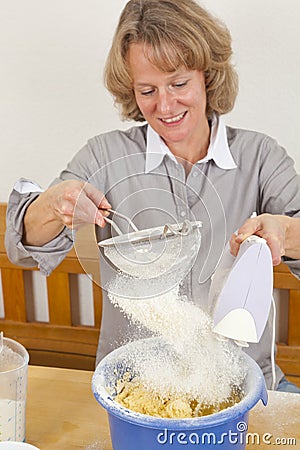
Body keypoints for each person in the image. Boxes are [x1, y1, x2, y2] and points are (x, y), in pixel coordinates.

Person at [5, 0, 300, 392]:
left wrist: (284, 231)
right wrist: (54, 204)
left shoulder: (261, 158)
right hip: (136, 387)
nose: (164, 106)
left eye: (179, 84)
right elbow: (20, 247)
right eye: (147, 90)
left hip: (243, 384)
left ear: (208, 76)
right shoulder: (104, 156)